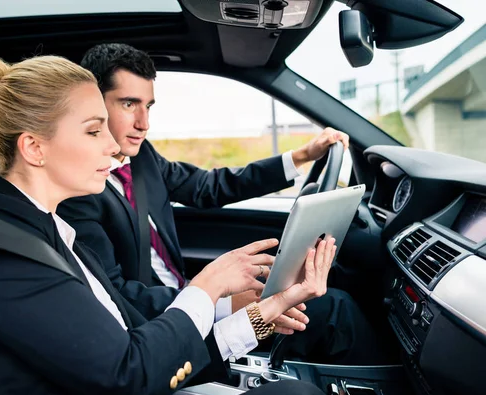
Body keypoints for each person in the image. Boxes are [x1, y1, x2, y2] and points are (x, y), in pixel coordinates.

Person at [0, 55, 333, 395]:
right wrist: (207, 288)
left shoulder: (52, 230)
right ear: (34, 148)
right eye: (94, 130)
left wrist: (262, 313)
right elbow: (129, 372)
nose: (114, 145)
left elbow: (139, 340)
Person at [57, 43, 383, 365]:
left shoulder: (141, 158)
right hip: (163, 325)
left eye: (149, 106)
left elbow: (208, 186)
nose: (144, 123)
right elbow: (120, 296)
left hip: (188, 295)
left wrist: (301, 156)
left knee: (306, 295)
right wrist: (221, 302)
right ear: (93, 103)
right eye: (129, 104)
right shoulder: (76, 195)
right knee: (333, 310)